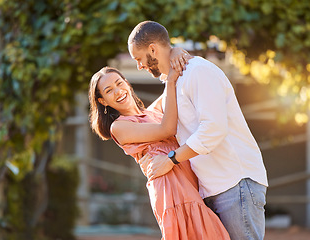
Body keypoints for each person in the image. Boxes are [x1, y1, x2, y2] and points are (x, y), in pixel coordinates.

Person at [128, 21, 268, 240]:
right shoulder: (173, 83)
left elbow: (213, 129)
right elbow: (152, 118)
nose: (139, 66)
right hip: (213, 188)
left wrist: (171, 159)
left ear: (153, 49)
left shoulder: (198, 71)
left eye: (139, 59)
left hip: (236, 184)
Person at [88, 50, 230, 239]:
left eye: (119, 83)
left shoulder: (152, 112)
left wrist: (176, 51)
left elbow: (170, 94)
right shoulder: (119, 127)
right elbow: (167, 129)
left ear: (127, 84)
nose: (118, 91)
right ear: (102, 101)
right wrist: (170, 80)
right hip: (170, 188)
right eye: (109, 91)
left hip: (189, 183)